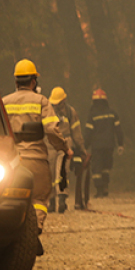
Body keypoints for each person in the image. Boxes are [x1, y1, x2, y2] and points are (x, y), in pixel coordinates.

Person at [3, 59, 70, 256]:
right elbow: (51, 129)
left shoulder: (4, 102)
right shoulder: (41, 101)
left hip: (10, 162)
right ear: (33, 81)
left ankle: (10, 236)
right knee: (39, 199)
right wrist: (64, 147)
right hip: (36, 159)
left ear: (16, 82)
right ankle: (33, 234)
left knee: (8, 198)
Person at [47, 86, 87, 214]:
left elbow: (76, 131)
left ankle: (62, 200)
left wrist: (81, 148)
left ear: (64, 101)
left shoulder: (70, 112)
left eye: (58, 103)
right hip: (50, 143)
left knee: (62, 171)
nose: (56, 105)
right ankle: (51, 202)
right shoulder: (47, 110)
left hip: (65, 143)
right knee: (50, 173)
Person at [84, 89, 124, 198]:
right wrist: (120, 144)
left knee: (97, 168)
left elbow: (88, 133)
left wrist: (84, 146)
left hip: (97, 146)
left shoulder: (92, 115)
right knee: (106, 167)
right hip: (109, 145)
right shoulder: (112, 114)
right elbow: (118, 130)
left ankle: (99, 190)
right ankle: (105, 187)